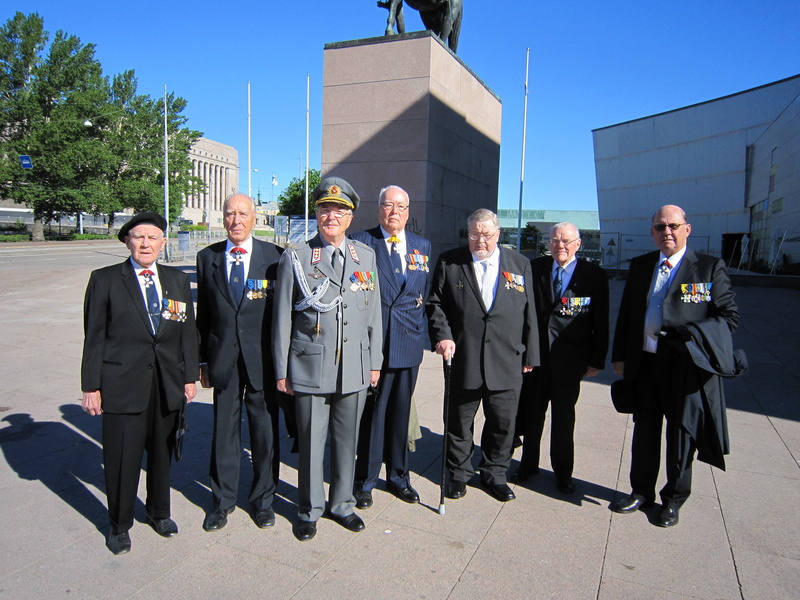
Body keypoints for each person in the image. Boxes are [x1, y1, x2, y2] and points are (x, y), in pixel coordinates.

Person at [611, 205, 739, 527]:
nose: (666, 231)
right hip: (645, 364)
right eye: (660, 227)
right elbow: (627, 314)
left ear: (687, 229)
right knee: (644, 430)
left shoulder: (708, 268)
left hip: (684, 368)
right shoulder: (641, 265)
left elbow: (728, 317)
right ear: (652, 232)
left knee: (681, 435)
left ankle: (673, 499)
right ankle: (641, 491)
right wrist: (620, 357)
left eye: (673, 226)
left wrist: (689, 335)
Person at [80, 212, 199, 555]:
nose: (146, 244)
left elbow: (186, 332)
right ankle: (119, 525)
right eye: (139, 237)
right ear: (128, 242)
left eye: (153, 238)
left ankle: (159, 512)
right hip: (122, 383)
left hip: (166, 383)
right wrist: (91, 386)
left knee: (161, 454)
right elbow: (94, 337)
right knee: (122, 458)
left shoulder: (176, 280)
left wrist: (189, 377)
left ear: (163, 243)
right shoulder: (105, 279)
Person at [272, 177, 383, 541]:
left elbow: (373, 314)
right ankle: (309, 509)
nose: (331, 216)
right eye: (324, 209)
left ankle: (342, 504)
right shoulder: (298, 256)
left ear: (350, 218)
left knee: (347, 441)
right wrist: (282, 369)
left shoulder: (365, 257)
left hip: (355, 365)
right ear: (316, 215)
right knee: (311, 443)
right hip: (310, 366)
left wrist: (375, 362)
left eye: (339, 211)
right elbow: (282, 318)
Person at [427, 208, 539, 502]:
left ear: (498, 234)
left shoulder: (519, 264)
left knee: (503, 423)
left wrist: (531, 354)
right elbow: (435, 304)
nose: (480, 240)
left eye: (486, 234)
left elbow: (530, 312)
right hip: (464, 357)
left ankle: (495, 474)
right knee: (458, 423)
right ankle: (459, 474)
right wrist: (443, 336)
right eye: (474, 234)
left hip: (506, 359)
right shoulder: (450, 262)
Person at [196, 193, 284, 531]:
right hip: (223, 358)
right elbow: (203, 315)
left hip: (262, 360)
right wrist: (202, 362)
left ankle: (263, 501)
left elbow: (282, 316)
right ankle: (222, 502)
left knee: (264, 433)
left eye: (243, 214)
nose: (236, 220)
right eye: (230, 214)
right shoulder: (207, 258)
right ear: (223, 219)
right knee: (224, 432)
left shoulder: (274, 257)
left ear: (254, 218)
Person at [511, 222, 609, 494]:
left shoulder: (593, 274)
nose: (560, 246)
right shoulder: (535, 268)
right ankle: (528, 465)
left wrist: (596, 360)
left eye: (566, 241)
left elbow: (601, 320)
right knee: (532, 415)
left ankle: (563, 473)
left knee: (564, 419)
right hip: (536, 359)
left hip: (570, 360)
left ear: (578, 244)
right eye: (554, 240)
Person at [350, 185, 432, 509]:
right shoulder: (360, 242)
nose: (394, 211)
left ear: (408, 212)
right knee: (373, 417)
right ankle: (365, 481)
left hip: (409, 343)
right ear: (379, 209)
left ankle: (399, 477)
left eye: (400, 206)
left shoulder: (422, 246)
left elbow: (424, 294)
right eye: (388, 205)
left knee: (401, 415)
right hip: (376, 346)